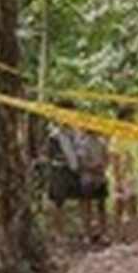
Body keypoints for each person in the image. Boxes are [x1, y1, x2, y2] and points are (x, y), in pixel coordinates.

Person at [45, 101, 81, 240]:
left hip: (74, 167)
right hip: (59, 168)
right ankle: (57, 231)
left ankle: (74, 231)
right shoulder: (54, 132)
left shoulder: (75, 130)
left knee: (80, 199)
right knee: (57, 201)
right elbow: (49, 152)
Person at [109, 107, 138, 243]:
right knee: (119, 208)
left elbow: (136, 156)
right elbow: (114, 159)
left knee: (133, 207)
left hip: (132, 175)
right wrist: (117, 180)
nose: (133, 120)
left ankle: (132, 237)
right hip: (122, 176)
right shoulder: (117, 138)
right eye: (130, 117)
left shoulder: (133, 136)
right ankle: (117, 238)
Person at [75, 127, 110, 244]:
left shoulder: (102, 142)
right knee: (87, 206)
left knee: (101, 206)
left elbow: (107, 158)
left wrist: (102, 167)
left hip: (101, 178)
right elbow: (81, 162)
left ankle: (103, 233)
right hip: (87, 179)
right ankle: (87, 233)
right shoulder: (82, 143)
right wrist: (94, 167)